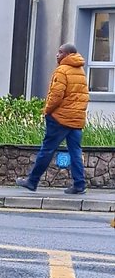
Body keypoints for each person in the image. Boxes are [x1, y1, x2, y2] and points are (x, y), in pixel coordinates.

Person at [17, 44, 90, 194]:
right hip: (76, 119)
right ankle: (79, 184)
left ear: (69, 54)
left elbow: (56, 95)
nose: (57, 54)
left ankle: (32, 181)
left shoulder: (62, 70)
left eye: (61, 52)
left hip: (60, 118)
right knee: (75, 151)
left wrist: (47, 111)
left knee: (47, 149)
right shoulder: (80, 70)